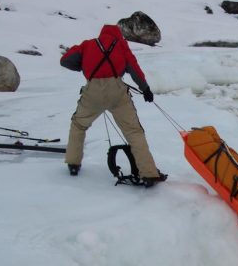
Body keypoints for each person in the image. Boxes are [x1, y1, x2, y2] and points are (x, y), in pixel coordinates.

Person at [60, 23, 166, 186]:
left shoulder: (88, 45)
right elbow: (134, 68)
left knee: (79, 125)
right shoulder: (121, 45)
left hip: (92, 91)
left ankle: (73, 164)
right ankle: (149, 174)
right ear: (118, 35)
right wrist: (145, 89)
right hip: (117, 92)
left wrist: (83, 65)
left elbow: (65, 61)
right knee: (133, 131)